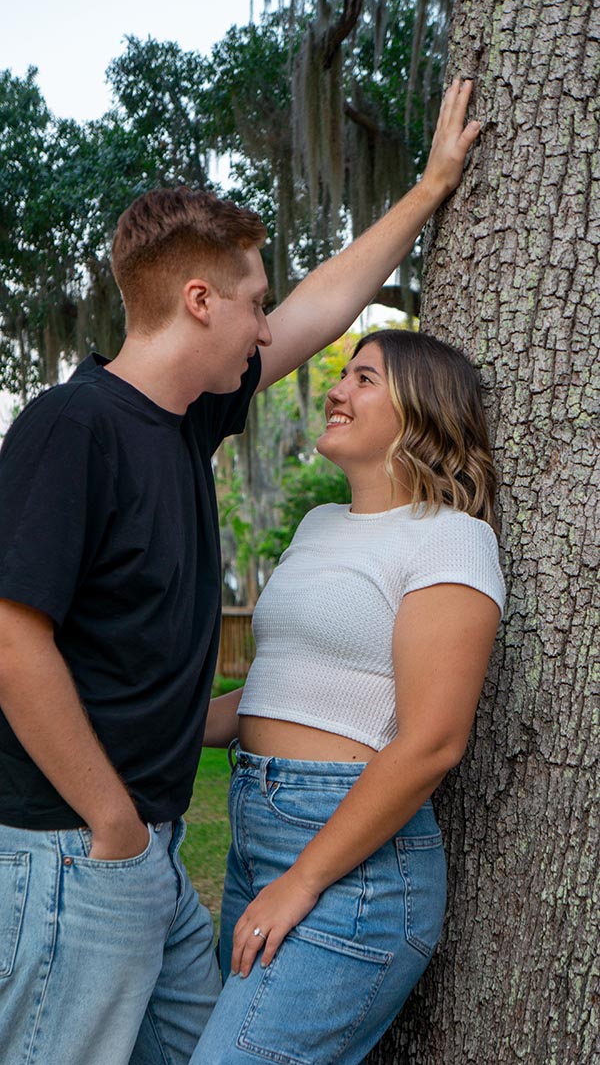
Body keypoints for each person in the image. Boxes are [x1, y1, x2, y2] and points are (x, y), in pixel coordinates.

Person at [0, 81, 480, 1065]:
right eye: (254, 302)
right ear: (199, 301)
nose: (268, 329)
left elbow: (322, 307)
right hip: (75, 845)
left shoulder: (184, 423)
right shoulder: (73, 426)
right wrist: (112, 823)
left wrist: (430, 191)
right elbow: (10, 636)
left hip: (151, 850)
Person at [195, 328, 505, 1064]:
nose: (335, 391)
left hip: (352, 866)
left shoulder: (451, 538)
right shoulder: (319, 525)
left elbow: (433, 741)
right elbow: (281, 692)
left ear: (422, 409)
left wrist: (302, 882)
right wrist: (148, 723)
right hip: (254, 832)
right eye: (342, 376)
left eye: (364, 379)